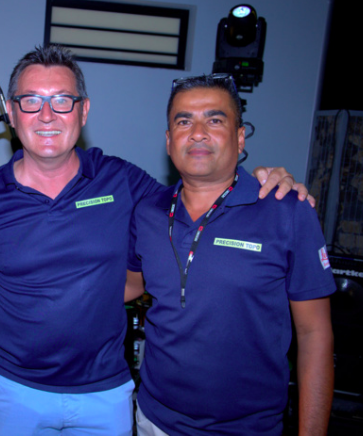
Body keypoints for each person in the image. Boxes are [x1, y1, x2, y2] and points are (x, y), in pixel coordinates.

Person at [0, 45, 310, 436]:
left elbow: (198, 196)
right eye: (31, 101)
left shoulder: (123, 181)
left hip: (105, 390)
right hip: (14, 388)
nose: (47, 115)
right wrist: (19, 314)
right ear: (11, 112)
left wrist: (266, 178)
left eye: (62, 100)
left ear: (83, 111)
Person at [127, 74, 335, 435]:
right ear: (169, 141)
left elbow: (314, 334)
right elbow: (129, 285)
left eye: (215, 119)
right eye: (184, 121)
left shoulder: (287, 210)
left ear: (240, 138)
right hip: (154, 421)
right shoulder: (147, 212)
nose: (198, 133)